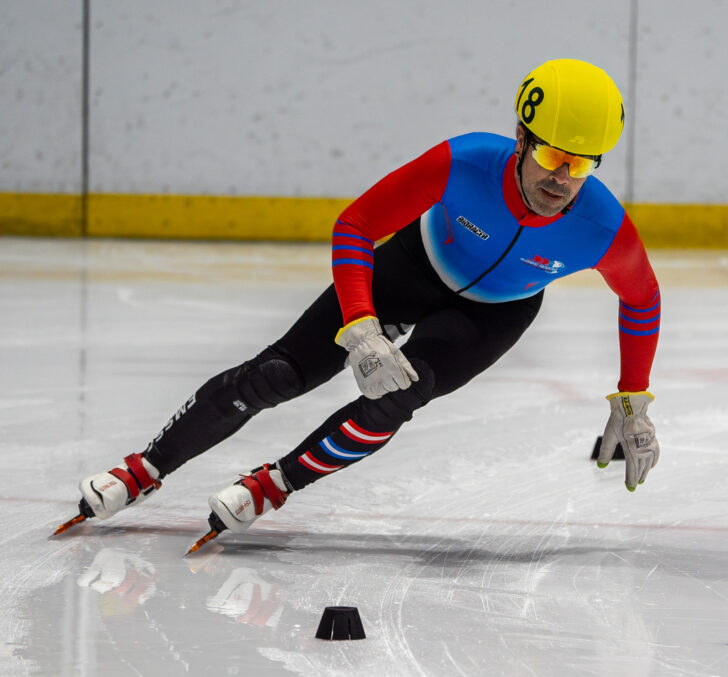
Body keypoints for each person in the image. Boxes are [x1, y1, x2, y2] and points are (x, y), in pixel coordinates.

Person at [58, 58, 662, 551]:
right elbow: (357, 225)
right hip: (411, 268)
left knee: (398, 396)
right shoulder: (466, 161)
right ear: (522, 141)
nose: (563, 179)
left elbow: (641, 299)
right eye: (555, 157)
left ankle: (278, 482)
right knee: (277, 375)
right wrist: (361, 326)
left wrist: (632, 401)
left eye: (582, 164)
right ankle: (146, 468)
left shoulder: (600, 225)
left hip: (492, 313)